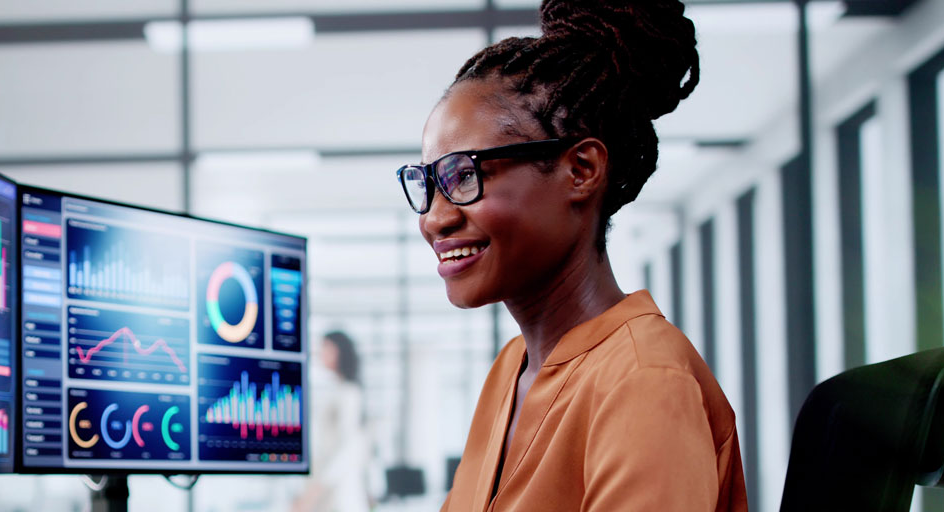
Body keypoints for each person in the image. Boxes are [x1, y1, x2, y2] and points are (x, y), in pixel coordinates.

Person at [406, 1, 748, 510]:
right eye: (427, 182)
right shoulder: (511, 369)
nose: (434, 218)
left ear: (581, 170)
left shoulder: (643, 382)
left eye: (463, 175)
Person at [294, 331, 372, 512]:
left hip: (340, 494)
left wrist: (314, 492)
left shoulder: (349, 392)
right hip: (330, 490)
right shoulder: (337, 389)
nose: (320, 353)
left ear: (340, 352)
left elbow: (348, 447)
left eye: (326, 348)